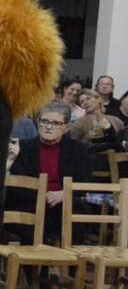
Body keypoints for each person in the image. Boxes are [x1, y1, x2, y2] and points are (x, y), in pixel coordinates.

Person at [8, 101, 92, 242]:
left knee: (76, 208)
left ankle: (71, 255)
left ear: (66, 127)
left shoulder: (78, 149)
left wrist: (64, 194)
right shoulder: (22, 148)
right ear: (38, 122)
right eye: (44, 121)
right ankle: (34, 255)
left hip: (64, 203)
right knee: (25, 210)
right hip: (31, 202)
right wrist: (43, 196)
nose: (48, 126)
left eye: (56, 123)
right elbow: (18, 185)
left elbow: (84, 182)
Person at [70, 88, 124, 155]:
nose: (85, 103)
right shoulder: (79, 123)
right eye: (82, 102)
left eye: (88, 99)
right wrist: (87, 137)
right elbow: (72, 146)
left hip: (117, 159)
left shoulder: (116, 120)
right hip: (91, 159)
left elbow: (123, 141)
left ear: (99, 99)